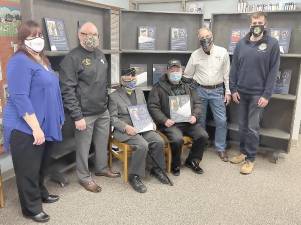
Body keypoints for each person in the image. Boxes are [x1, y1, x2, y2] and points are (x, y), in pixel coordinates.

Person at [3, 20, 65, 223]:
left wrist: (59, 118)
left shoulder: (42, 60)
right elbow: (20, 97)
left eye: (40, 35)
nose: (38, 40)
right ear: (22, 40)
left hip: (46, 123)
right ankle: (30, 208)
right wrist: (36, 128)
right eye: (32, 36)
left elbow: (52, 90)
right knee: (28, 170)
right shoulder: (19, 61)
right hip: (26, 126)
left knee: (41, 165)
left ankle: (41, 193)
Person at [59, 22, 120, 193]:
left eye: (95, 34)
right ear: (80, 36)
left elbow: (103, 83)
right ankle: (84, 177)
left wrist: (107, 106)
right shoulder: (72, 58)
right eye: (87, 34)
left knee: (102, 144)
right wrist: (77, 116)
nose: (91, 38)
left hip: (102, 111)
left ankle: (101, 168)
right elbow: (67, 90)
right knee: (83, 148)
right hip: (84, 114)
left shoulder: (100, 55)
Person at [229, 12, 280, 174]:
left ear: (265, 25)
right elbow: (234, 68)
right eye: (254, 22)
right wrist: (233, 89)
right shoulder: (241, 43)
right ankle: (243, 153)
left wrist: (267, 95)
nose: (256, 25)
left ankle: (250, 159)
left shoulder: (272, 44)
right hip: (241, 93)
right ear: (250, 24)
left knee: (252, 127)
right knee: (242, 126)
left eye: (260, 22)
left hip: (258, 94)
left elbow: (273, 71)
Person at [109, 68, 170, 193]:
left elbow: (145, 111)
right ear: (121, 79)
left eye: (133, 76)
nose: (131, 79)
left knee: (158, 140)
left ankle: (156, 169)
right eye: (127, 76)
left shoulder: (139, 92)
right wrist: (126, 127)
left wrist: (151, 122)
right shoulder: (113, 96)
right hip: (125, 129)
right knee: (142, 145)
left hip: (142, 126)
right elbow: (112, 118)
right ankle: (134, 176)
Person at [148, 59, 208, 176]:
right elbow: (153, 106)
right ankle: (175, 164)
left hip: (188, 122)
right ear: (167, 71)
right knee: (177, 139)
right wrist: (164, 120)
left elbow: (198, 103)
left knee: (203, 136)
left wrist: (195, 116)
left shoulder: (189, 86)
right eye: (172, 70)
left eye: (177, 70)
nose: (175, 72)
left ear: (182, 71)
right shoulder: (158, 87)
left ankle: (193, 160)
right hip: (170, 123)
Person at [184, 27, 231, 162]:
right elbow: (187, 75)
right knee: (200, 120)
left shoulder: (222, 52)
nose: (205, 39)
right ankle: (202, 143)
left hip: (217, 90)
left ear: (212, 35)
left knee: (221, 121)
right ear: (198, 39)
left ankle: (221, 148)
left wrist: (227, 91)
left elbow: (227, 74)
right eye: (202, 37)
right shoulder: (195, 55)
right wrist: (190, 93)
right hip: (200, 91)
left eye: (207, 36)